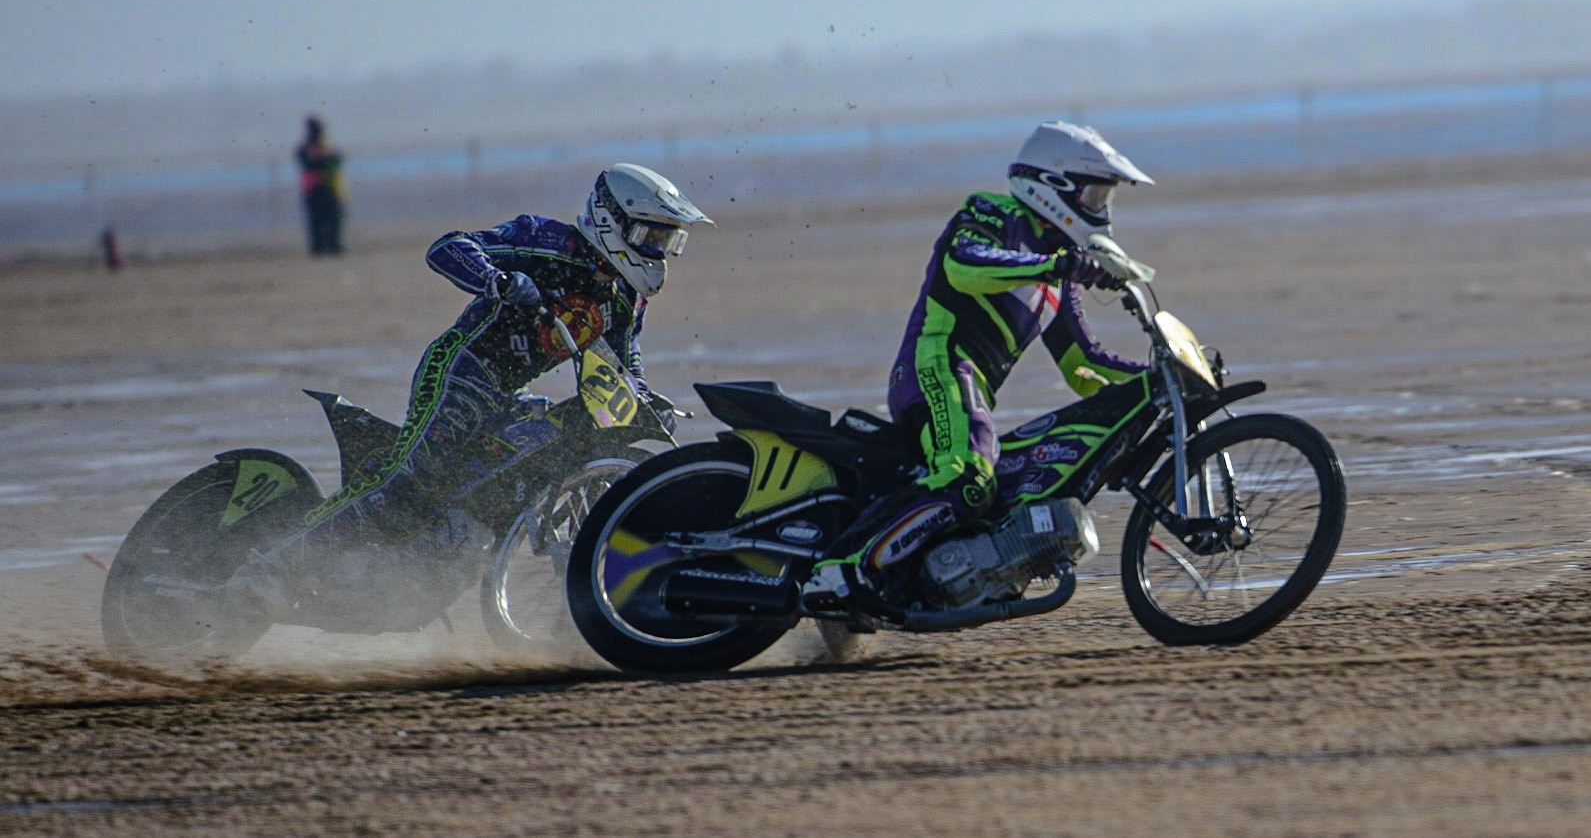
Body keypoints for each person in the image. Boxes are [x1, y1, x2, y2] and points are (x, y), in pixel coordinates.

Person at [229, 163, 713, 616]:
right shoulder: (547, 241)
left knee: (510, 478)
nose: (659, 249)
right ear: (614, 223)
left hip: (510, 395)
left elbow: (624, 360)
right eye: (651, 235)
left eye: (667, 240)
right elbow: (447, 247)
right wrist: (496, 280)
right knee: (403, 486)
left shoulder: (626, 297)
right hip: (462, 371)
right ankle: (270, 564)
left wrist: (645, 401)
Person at [806, 121, 1153, 602]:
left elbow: (1082, 364)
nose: (1101, 210)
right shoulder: (992, 211)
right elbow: (965, 265)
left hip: (968, 385)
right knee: (969, 476)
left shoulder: (1060, 274)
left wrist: (1159, 379)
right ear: (1054, 185)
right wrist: (1054, 265)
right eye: (1094, 197)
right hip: (938, 364)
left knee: (991, 490)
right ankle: (842, 571)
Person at [296, 115, 346, 255]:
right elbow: (308, 162)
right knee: (321, 219)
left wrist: (326, 158)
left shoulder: (325, 147)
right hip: (316, 188)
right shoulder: (308, 149)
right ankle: (323, 247)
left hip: (327, 187)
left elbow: (337, 161)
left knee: (329, 219)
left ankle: (330, 246)